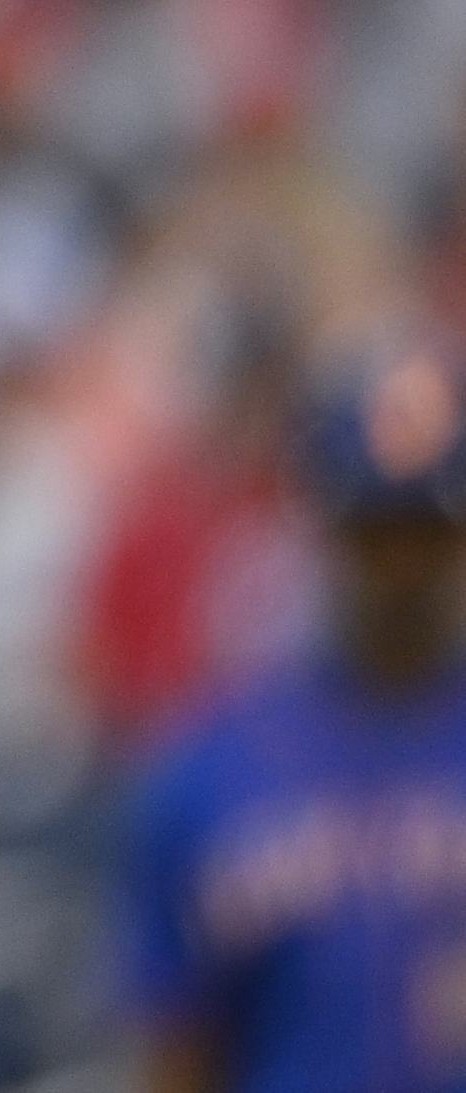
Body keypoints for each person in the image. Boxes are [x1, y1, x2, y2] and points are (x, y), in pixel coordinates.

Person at [121, 342, 466, 1093]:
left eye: (427, 531)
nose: (403, 567)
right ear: (320, 529)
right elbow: (175, 1048)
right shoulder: (209, 764)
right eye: (376, 532)